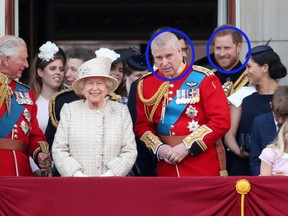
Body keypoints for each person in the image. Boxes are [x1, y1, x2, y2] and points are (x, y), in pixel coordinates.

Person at [135, 31, 230, 176]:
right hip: (166, 166)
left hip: (201, 164)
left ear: (179, 51)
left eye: (169, 56)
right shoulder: (146, 84)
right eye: (158, 58)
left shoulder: (204, 78)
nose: (164, 63)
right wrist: (159, 148)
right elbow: (142, 125)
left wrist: (187, 147)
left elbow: (221, 121)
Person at [52, 48, 137, 176]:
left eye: (100, 83)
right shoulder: (70, 110)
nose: (95, 88)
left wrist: (111, 174)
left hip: (112, 184)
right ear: (82, 87)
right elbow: (59, 149)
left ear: (107, 87)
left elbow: (129, 150)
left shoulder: (121, 111)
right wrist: (77, 174)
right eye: (89, 83)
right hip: (77, 184)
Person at [224, 44, 287, 176]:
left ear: (264, 67)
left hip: (280, 169)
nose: (245, 72)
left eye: (249, 67)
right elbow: (229, 135)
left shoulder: (285, 97)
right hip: (244, 169)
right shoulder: (243, 96)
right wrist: (240, 152)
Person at [0, 35, 50, 176]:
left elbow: (34, 134)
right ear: (6, 60)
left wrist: (39, 153)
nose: (27, 65)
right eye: (23, 59)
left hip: (20, 172)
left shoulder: (26, 93)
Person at [45, 46, 95, 148]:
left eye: (73, 70)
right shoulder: (60, 101)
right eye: (67, 69)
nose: (67, 74)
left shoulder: (109, 100)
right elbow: (50, 140)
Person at [195, 24, 248, 97]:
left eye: (227, 48)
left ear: (238, 47)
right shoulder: (203, 77)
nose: (222, 54)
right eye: (218, 48)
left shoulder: (250, 79)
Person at [28, 41, 66, 133]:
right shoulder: (30, 100)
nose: (58, 72)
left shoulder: (68, 100)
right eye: (52, 68)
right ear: (40, 72)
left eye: (61, 69)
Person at [250, 85, 288, 175]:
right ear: (271, 105)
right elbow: (255, 160)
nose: (281, 121)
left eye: (285, 116)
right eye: (278, 116)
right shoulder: (259, 122)